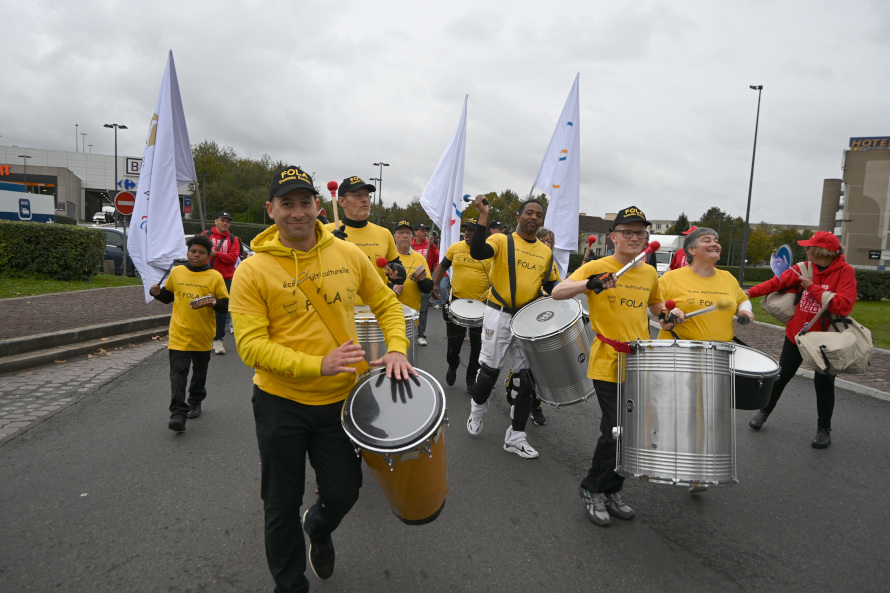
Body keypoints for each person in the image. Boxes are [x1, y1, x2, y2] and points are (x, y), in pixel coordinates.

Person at [229, 165, 414, 593]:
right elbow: (251, 348)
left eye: (305, 202)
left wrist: (398, 348)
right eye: (287, 204)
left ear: (317, 206)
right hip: (281, 403)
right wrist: (318, 364)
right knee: (280, 505)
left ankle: (319, 526)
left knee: (345, 491)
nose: (298, 212)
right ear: (271, 210)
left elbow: (387, 304)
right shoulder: (252, 271)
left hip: (340, 403)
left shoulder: (347, 255)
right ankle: (291, 586)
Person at [551, 205, 677, 526]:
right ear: (614, 236)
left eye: (640, 233)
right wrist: (589, 284)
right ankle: (592, 488)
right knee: (615, 429)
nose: (635, 237)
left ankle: (612, 490)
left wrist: (666, 315)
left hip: (639, 362)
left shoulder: (649, 271)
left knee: (631, 433)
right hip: (607, 360)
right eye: (628, 232)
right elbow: (557, 291)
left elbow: (654, 304)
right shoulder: (597, 266)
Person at [656, 227, 753, 493]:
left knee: (707, 415)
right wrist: (670, 313)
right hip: (680, 353)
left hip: (718, 356)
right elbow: (657, 309)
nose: (715, 244)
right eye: (707, 240)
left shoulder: (728, 278)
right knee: (685, 414)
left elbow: (743, 300)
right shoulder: (672, 278)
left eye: (717, 240)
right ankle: (677, 461)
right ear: (691, 249)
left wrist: (745, 311)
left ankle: (696, 470)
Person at [465, 196, 559, 459]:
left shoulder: (546, 252)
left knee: (527, 379)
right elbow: (477, 252)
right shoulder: (501, 240)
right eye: (529, 213)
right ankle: (477, 410)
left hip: (526, 320)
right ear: (518, 217)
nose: (533, 218)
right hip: (498, 315)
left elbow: (552, 286)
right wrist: (483, 214)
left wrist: (580, 290)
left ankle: (516, 436)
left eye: (538, 215)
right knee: (489, 373)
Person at [745, 231, 857, 449]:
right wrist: (748, 294)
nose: (805, 250)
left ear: (821, 252)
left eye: (809, 247)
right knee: (781, 375)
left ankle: (824, 429)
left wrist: (811, 287)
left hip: (826, 339)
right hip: (797, 335)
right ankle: (764, 411)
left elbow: (843, 305)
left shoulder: (845, 272)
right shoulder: (804, 267)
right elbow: (775, 283)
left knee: (824, 384)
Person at [149, 234, 229, 432]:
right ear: (187, 252)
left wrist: (214, 302)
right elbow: (168, 297)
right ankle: (177, 413)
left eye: (202, 253)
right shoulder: (177, 272)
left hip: (202, 334)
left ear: (208, 255)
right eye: (193, 251)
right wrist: (158, 294)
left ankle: (195, 400)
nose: (196, 255)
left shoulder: (215, 277)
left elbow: (225, 306)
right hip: (179, 333)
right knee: (178, 374)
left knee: (199, 373)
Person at [505, 226, 562, 427]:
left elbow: (556, 288)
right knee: (525, 364)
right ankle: (513, 384)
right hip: (525, 315)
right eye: (544, 241)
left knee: (539, 365)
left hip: (543, 318)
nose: (548, 244)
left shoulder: (551, 263)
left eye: (550, 242)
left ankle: (535, 405)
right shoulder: (530, 259)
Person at [323, 175, 405, 302]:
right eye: (358, 195)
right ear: (341, 201)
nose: (365, 199)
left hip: (377, 310)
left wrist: (397, 271)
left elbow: (398, 274)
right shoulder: (324, 232)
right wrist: (329, 248)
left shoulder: (384, 233)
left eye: (367, 195)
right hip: (339, 311)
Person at [431, 217, 489, 393]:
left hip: (481, 305)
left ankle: (471, 378)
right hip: (457, 302)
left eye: (472, 230)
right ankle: (453, 364)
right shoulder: (455, 248)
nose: (468, 233)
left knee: (477, 345)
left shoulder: (489, 251)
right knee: (454, 345)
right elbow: (442, 267)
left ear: (481, 233)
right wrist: (434, 284)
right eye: (467, 230)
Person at [201, 211, 242, 355]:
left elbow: (232, 258)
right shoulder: (206, 236)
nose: (225, 223)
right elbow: (198, 253)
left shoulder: (233, 239)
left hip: (226, 278)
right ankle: (204, 337)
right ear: (215, 221)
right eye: (223, 220)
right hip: (206, 277)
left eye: (228, 221)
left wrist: (216, 254)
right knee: (203, 307)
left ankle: (218, 339)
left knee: (221, 310)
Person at [392, 220, 434, 312]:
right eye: (401, 232)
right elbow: (377, 284)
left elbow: (428, 288)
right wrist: (392, 287)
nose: (405, 235)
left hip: (412, 313)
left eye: (408, 233)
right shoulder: (387, 256)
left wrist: (422, 281)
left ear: (412, 237)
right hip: (390, 312)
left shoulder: (420, 258)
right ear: (394, 236)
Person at [410, 222, 438, 346]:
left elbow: (436, 259)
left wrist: (432, 246)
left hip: (425, 281)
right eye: (422, 230)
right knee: (409, 308)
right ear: (416, 232)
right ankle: (408, 332)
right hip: (410, 282)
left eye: (426, 230)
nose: (425, 232)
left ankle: (421, 335)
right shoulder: (410, 246)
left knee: (423, 309)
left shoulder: (429, 245)